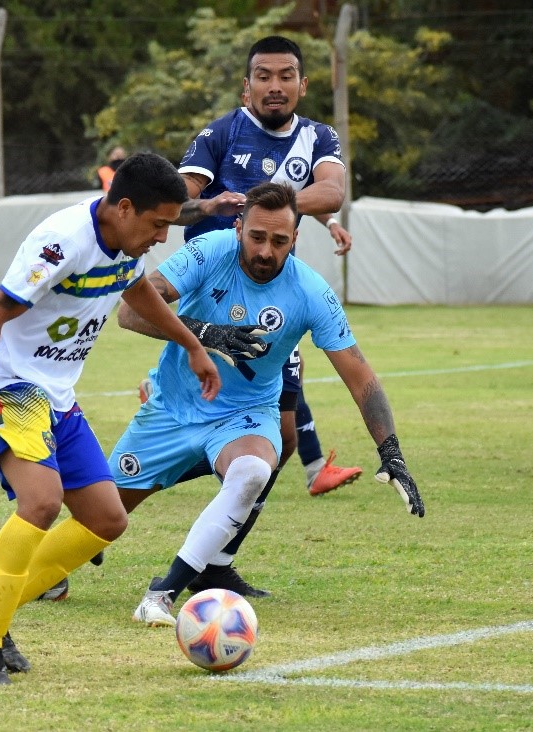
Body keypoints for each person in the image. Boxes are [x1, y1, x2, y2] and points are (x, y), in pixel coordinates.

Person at [0, 153, 222, 685]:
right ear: (125, 207)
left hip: (56, 396)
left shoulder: (124, 242)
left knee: (107, 520)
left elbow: (136, 290)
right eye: (158, 224)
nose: (162, 237)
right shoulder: (64, 241)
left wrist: (191, 344)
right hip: (9, 386)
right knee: (41, 503)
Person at [109, 182, 425, 626]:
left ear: (294, 240)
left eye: (279, 241)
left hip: (244, 416)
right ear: (238, 228)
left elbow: (360, 376)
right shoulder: (209, 251)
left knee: (254, 470)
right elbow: (130, 313)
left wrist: (390, 451)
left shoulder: (311, 291)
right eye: (257, 237)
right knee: (100, 518)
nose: (266, 251)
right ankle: (56, 570)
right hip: (172, 408)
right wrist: (206, 334)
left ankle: (163, 592)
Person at [125, 35, 363, 598]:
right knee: (228, 437)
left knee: (277, 440)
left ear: (303, 85)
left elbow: (331, 193)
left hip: (272, 302)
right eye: (264, 76)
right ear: (247, 85)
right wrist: (208, 206)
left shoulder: (317, 136)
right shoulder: (219, 134)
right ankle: (106, 514)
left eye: (286, 76)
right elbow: (174, 204)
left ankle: (217, 558)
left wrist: (268, 208)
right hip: (209, 294)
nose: (275, 86)